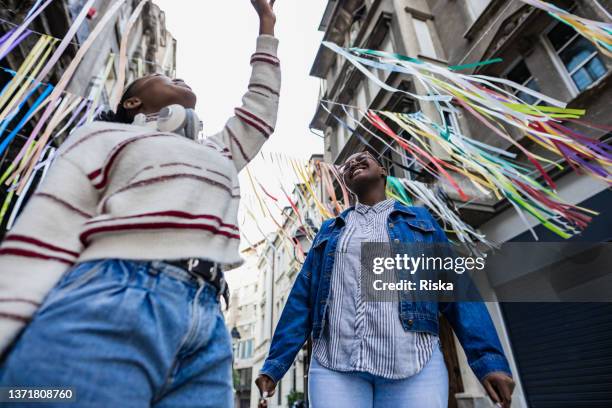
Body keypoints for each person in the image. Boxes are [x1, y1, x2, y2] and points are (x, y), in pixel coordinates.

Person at [0, 1, 279, 406]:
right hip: (112, 295)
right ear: (132, 103)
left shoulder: (217, 151)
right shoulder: (104, 136)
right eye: (159, 74)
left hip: (209, 324)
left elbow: (259, 114)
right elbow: (47, 228)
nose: (174, 75)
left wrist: (266, 25)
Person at [255, 151, 515, 408]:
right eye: (347, 163)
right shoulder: (329, 231)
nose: (354, 161)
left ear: (383, 171)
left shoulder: (420, 222)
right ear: (345, 182)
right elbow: (302, 299)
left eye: (365, 156)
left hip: (414, 363)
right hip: (334, 367)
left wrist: (488, 361)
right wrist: (275, 365)